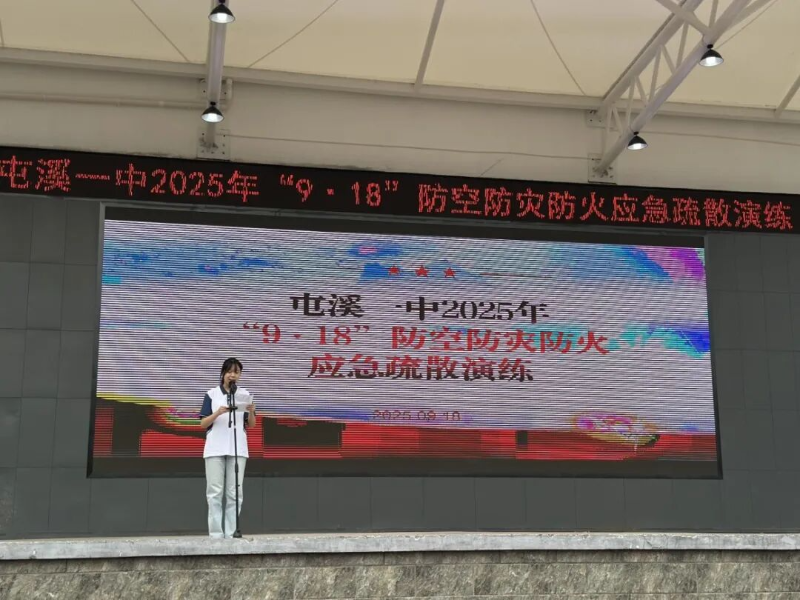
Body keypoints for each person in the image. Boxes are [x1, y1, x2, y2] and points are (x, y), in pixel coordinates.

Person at [199, 357, 256, 538]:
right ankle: (216, 535)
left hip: (237, 448)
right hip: (215, 448)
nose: (232, 375)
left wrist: (252, 411)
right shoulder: (212, 394)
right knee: (215, 492)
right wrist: (218, 412)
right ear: (223, 373)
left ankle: (231, 534)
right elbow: (202, 423)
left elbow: (251, 424)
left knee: (234, 493)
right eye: (229, 371)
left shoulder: (244, 395)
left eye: (236, 372)